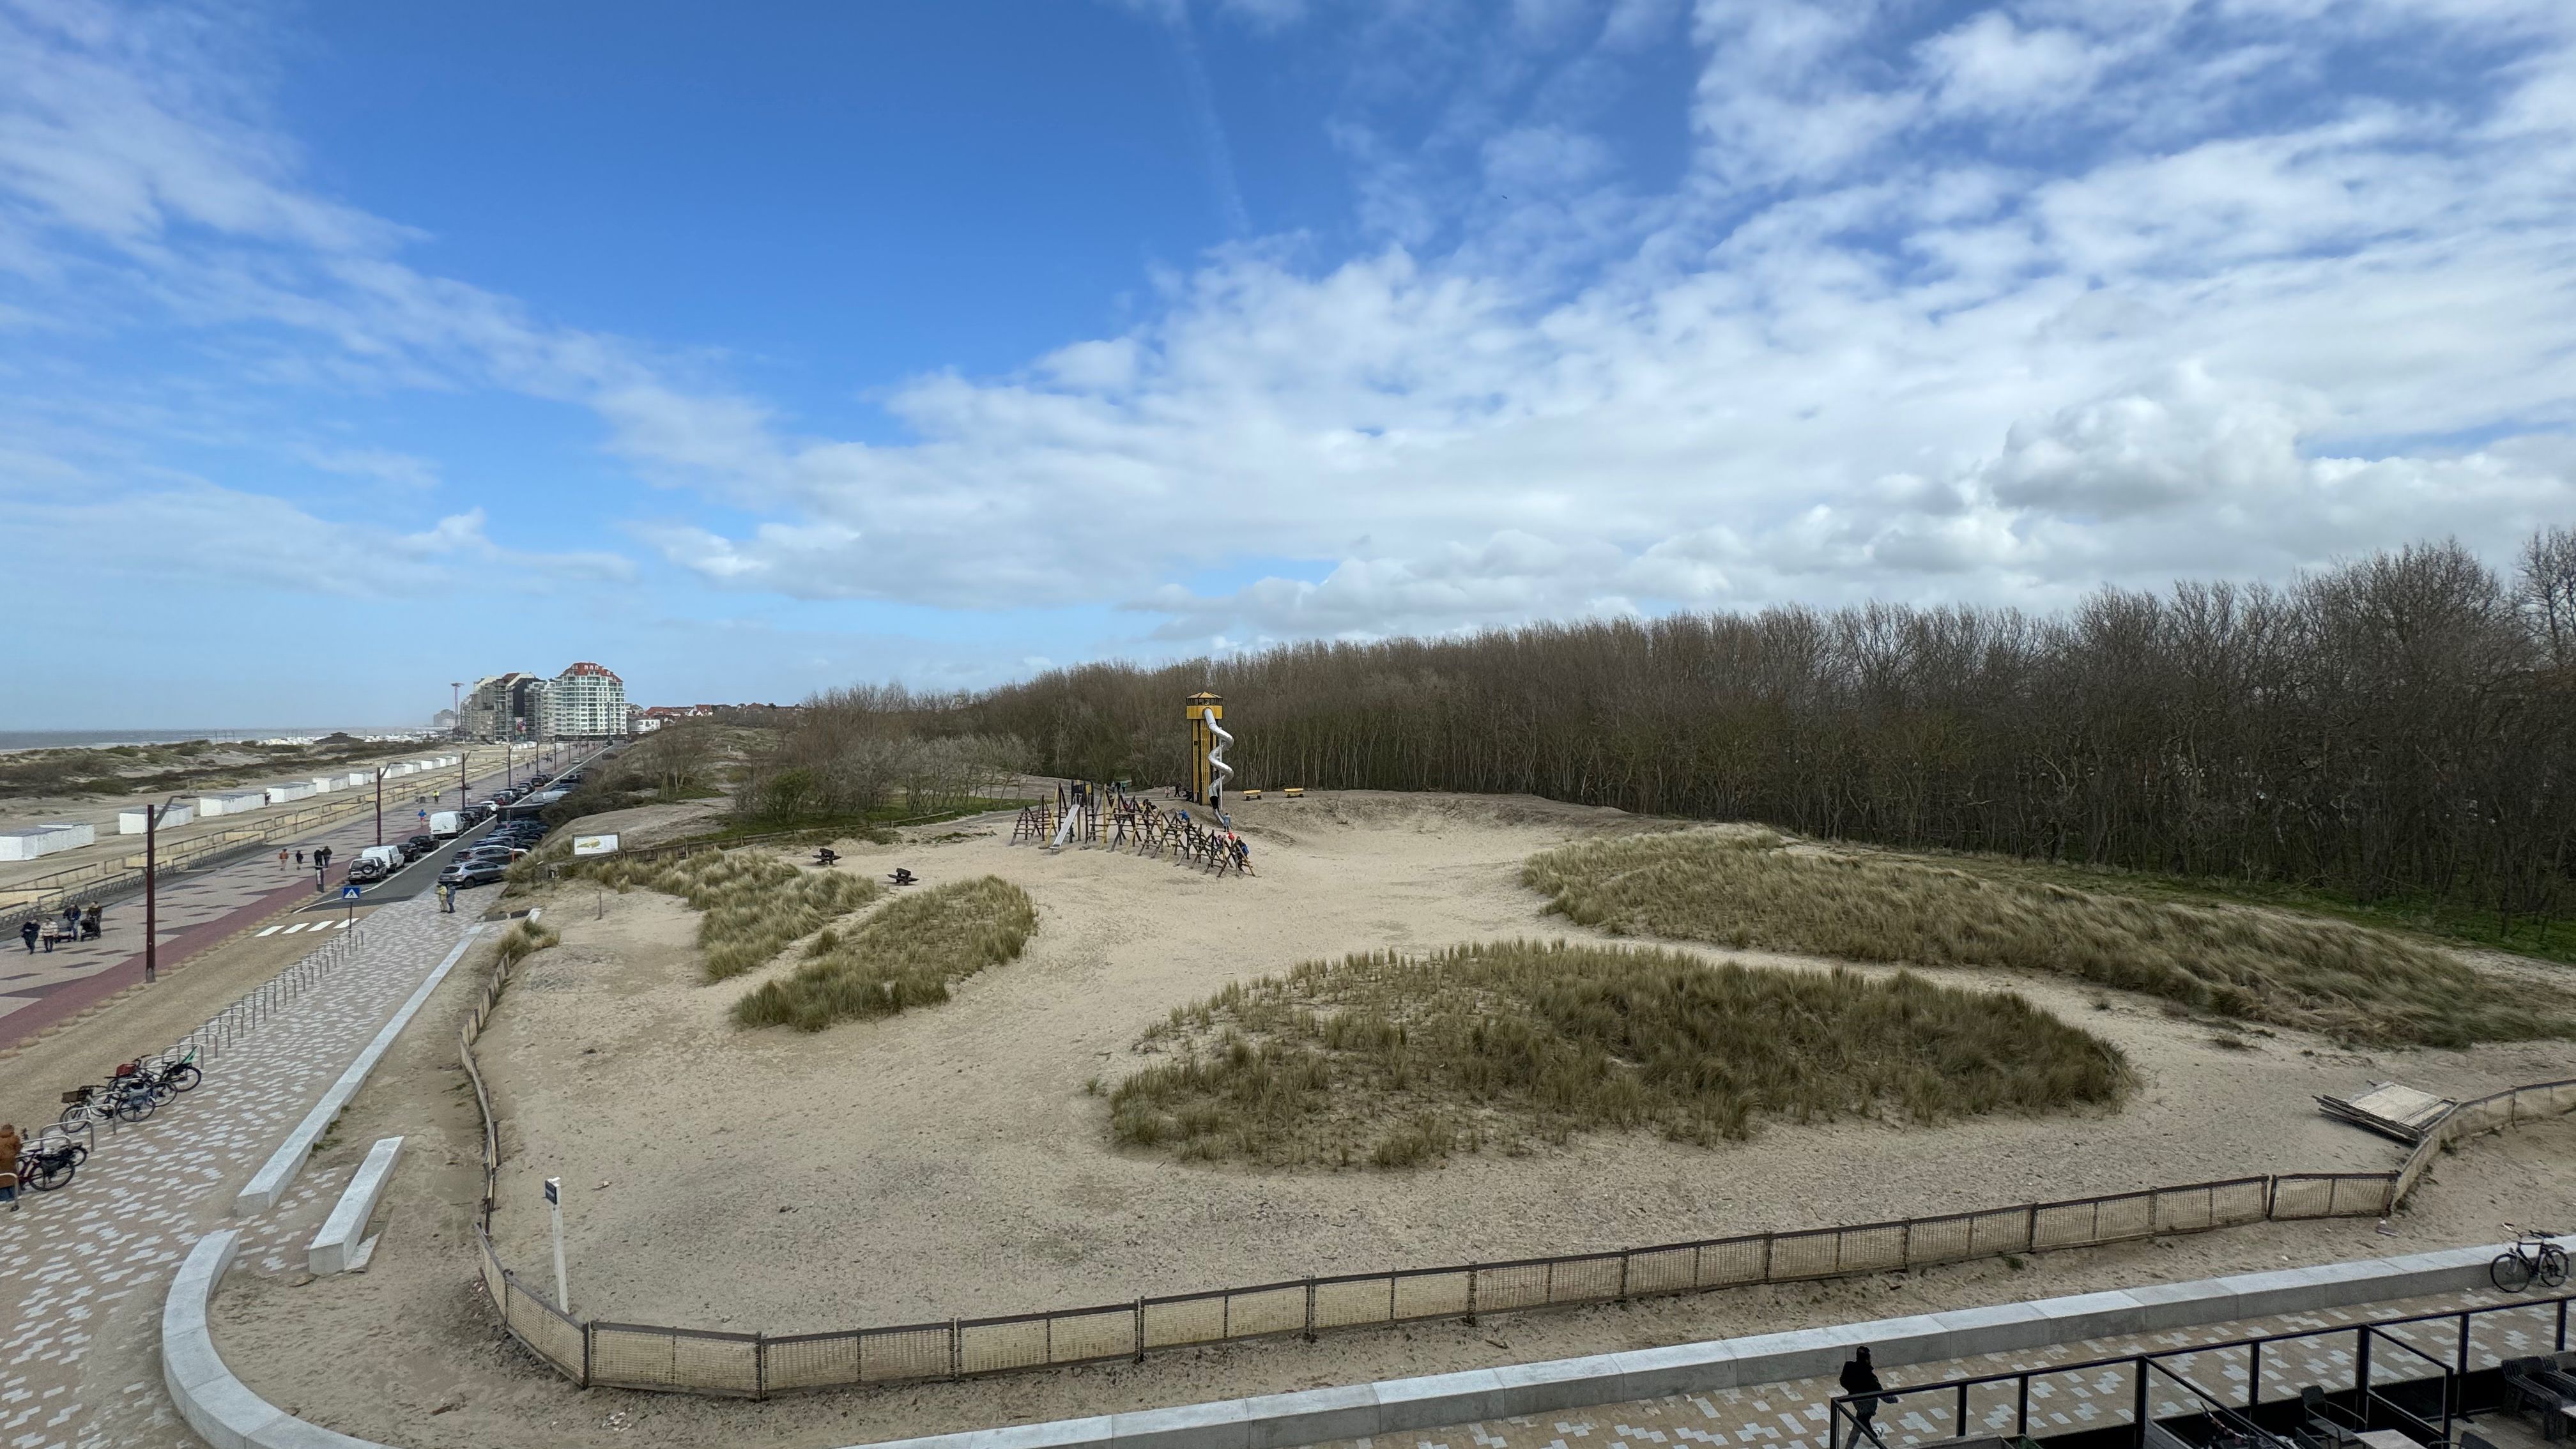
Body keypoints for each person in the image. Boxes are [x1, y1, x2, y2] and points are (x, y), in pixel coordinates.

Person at [1839, 1346, 1890, 1449]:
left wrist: (1852, 1390)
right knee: (1859, 1426)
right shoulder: (1870, 1377)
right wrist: (1895, 1399)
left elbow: (1843, 1381)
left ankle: (1874, 1436)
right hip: (1868, 1406)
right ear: (1867, 1359)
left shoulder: (1849, 1366)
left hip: (1857, 1402)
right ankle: (1853, 1446)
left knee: (1862, 1423)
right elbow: (1882, 1394)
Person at [0, 1121, 18, 1211]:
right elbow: (18, 1148)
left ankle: (5, 1199)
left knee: (2, 1181)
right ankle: (15, 1196)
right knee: (12, 1178)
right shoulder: (14, 1138)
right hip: (10, 1161)